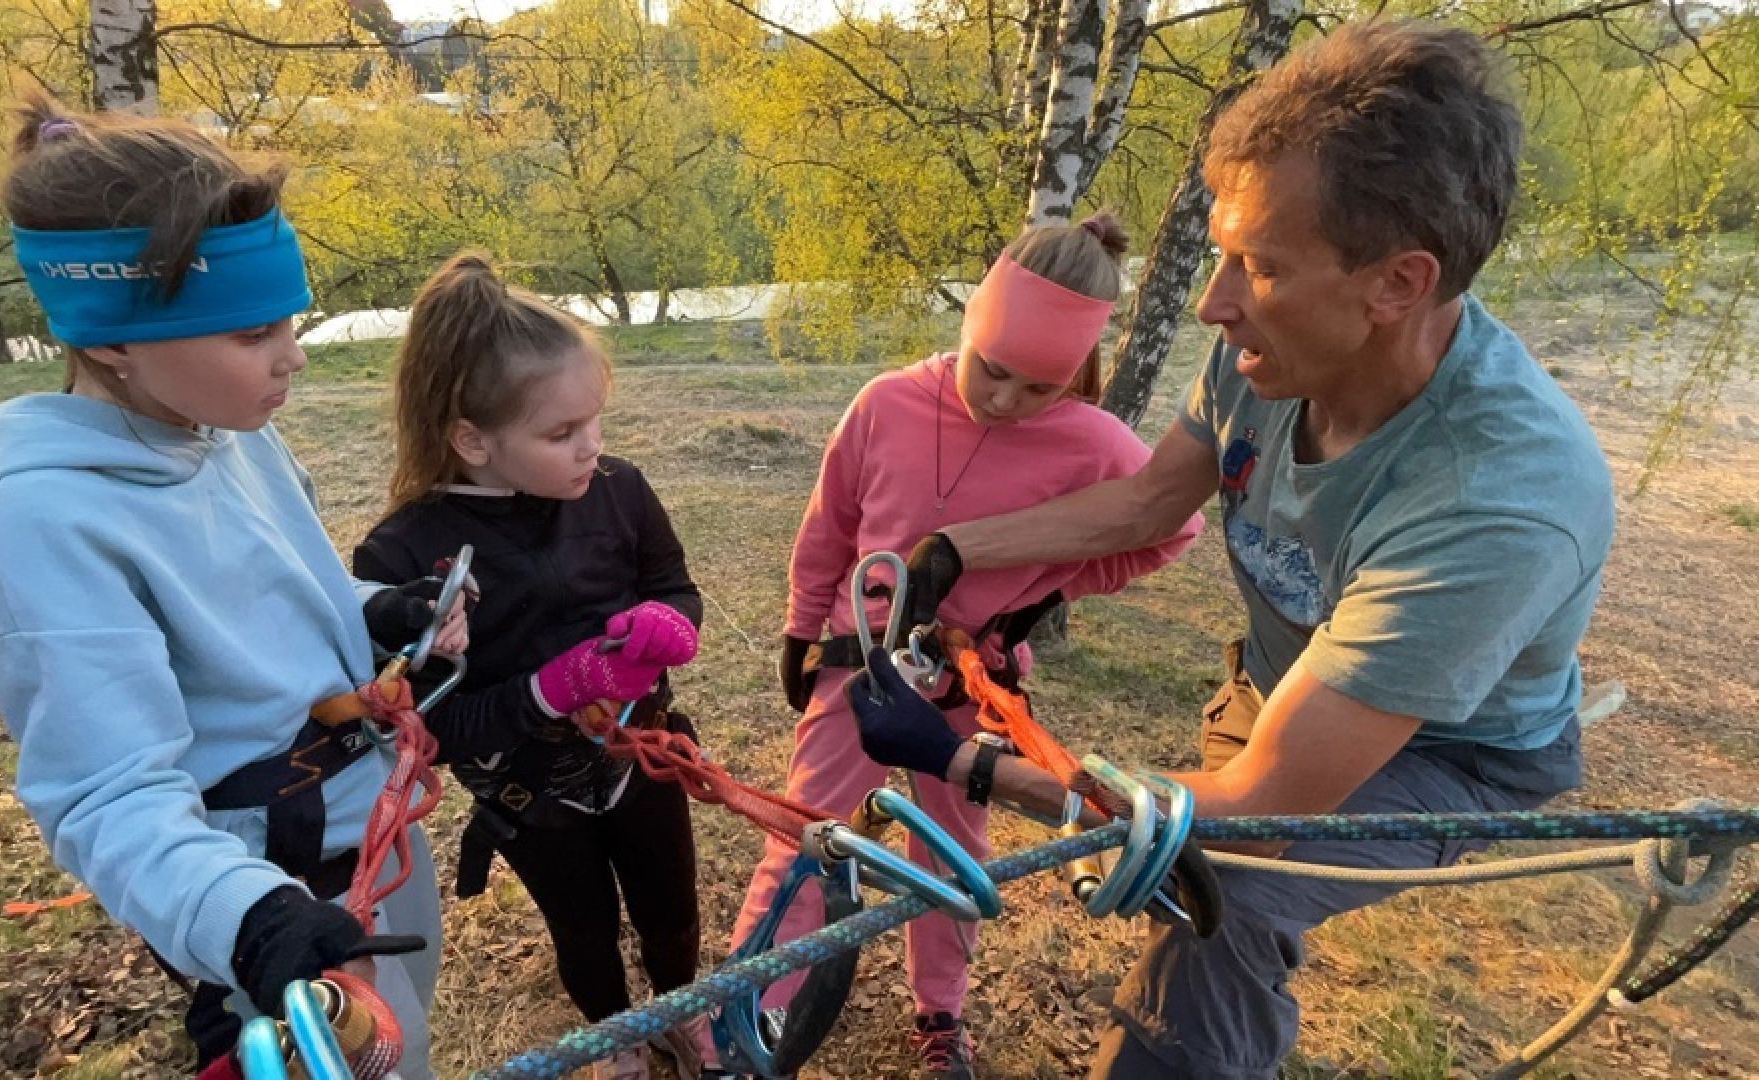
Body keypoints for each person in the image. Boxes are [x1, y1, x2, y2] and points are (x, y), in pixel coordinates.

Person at [869, 19, 1614, 1079]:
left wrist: (962, 762)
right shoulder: (1268, 350)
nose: (1213, 303)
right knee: (1181, 865)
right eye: (1223, 253)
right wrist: (951, 549)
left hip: (1453, 753)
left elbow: (1265, 804)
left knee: (1226, 890)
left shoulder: (1496, 498)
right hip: (1289, 683)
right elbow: (1145, 504)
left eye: (1258, 265)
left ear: (1397, 283)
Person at [0, 94, 467, 1077]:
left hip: (371, 828)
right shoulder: (46, 521)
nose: (293, 355)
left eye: (290, 322)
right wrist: (251, 921)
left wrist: (378, 616)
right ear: (113, 342)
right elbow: (105, 794)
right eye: (253, 332)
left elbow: (282, 599)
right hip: (268, 886)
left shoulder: (227, 435)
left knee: (411, 1042)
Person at [733, 211, 1202, 1080]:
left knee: (952, 853)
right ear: (974, 320)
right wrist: (802, 629)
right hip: (864, 668)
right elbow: (830, 525)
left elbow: (1170, 529)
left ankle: (940, 1012)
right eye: (992, 369)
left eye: (1039, 387)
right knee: (807, 836)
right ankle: (740, 1020)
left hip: (970, 684)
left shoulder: (1093, 442)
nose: (1005, 401)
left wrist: (1048, 587)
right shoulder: (886, 403)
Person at [352, 252, 717, 1080]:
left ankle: (679, 1012)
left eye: (595, 421)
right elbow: (435, 729)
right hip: (530, 797)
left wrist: (671, 628)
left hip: (644, 760)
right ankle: (615, 1034)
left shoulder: (619, 490)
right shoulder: (402, 558)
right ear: (471, 439)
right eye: (561, 434)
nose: (593, 447)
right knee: (582, 930)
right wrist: (553, 690)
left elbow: (673, 587)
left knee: (671, 911)